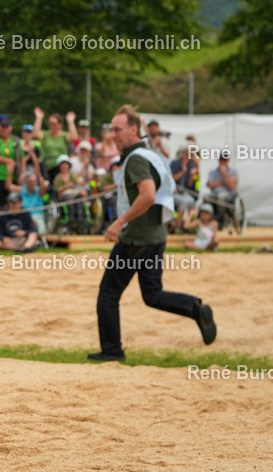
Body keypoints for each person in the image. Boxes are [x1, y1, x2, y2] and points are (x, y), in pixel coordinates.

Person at [89, 105, 216, 362]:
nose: (113, 135)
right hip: (156, 235)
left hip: (136, 238)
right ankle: (195, 308)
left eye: (118, 129)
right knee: (153, 294)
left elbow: (147, 195)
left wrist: (119, 222)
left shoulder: (136, 159)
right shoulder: (149, 153)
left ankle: (112, 351)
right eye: (111, 129)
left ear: (133, 130)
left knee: (108, 294)